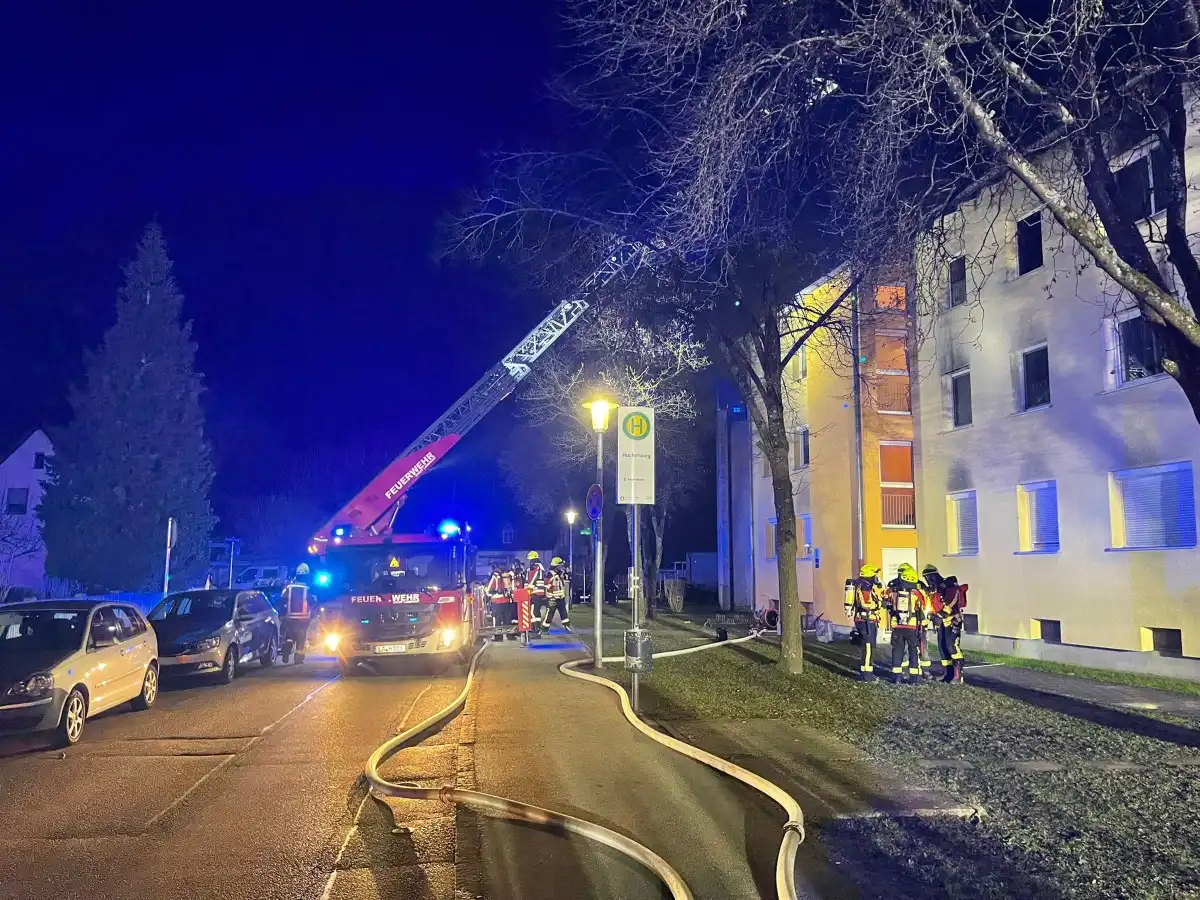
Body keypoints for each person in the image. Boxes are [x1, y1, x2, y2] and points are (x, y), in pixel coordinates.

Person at [884, 563, 931, 685]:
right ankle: (914, 679)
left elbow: (885, 601)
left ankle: (897, 678)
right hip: (912, 626)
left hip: (897, 626)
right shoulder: (916, 592)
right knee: (913, 651)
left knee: (897, 651)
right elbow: (923, 606)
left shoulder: (893, 589)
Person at [927, 566, 968, 683]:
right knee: (942, 647)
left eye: (929, 577)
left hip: (952, 621)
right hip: (941, 622)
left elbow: (951, 603)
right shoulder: (935, 589)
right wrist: (932, 615)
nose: (928, 580)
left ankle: (957, 675)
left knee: (952, 646)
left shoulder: (948, 586)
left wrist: (942, 614)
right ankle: (948, 674)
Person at [844, 564, 884, 682]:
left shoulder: (863, 585)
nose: (877, 576)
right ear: (870, 574)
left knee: (868, 647)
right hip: (866, 621)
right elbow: (866, 604)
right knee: (868, 647)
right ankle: (867, 674)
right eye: (875, 574)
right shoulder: (865, 586)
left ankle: (865, 672)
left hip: (864, 620)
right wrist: (879, 604)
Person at [281, 580, 314, 664]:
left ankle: (285, 653)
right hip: (302, 620)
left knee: (289, 638)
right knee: (301, 641)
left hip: (290, 620)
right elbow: (313, 602)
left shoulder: (288, 589)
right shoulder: (306, 590)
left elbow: (281, 601)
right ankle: (298, 660)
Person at [542, 557, 572, 633]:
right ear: (556, 566)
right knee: (549, 614)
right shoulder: (550, 575)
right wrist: (551, 597)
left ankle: (567, 627)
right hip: (553, 599)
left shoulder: (558, 574)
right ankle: (544, 630)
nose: (562, 567)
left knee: (564, 614)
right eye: (560, 565)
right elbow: (547, 586)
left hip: (560, 598)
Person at [486, 564, 513, 641]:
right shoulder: (507, 575)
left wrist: (489, 593)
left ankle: (498, 637)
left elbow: (489, 589)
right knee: (507, 620)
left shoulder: (495, 576)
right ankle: (509, 636)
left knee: (497, 620)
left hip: (497, 602)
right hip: (507, 601)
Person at [525, 551, 548, 635]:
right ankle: (535, 627)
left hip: (535, 593)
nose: (530, 562)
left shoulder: (536, 570)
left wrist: (528, 591)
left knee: (535, 612)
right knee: (534, 611)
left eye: (531, 560)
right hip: (535, 594)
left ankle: (536, 628)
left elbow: (531, 582)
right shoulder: (539, 569)